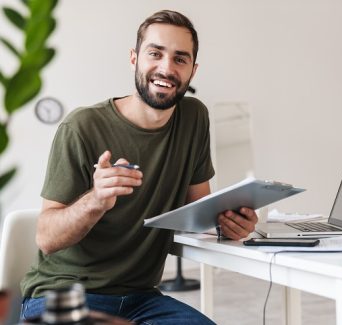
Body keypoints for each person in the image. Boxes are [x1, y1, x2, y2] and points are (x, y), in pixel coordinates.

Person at [20, 9, 258, 325]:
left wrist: (228, 222)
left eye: (180, 59)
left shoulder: (194, 117)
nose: (166, 68)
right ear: (134, 58)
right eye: (155, 54)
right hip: (63, 292)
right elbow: (47, 238)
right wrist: (96, 200)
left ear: (192, 71)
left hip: (142, 298)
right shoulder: (81, 126)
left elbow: (200, 208)